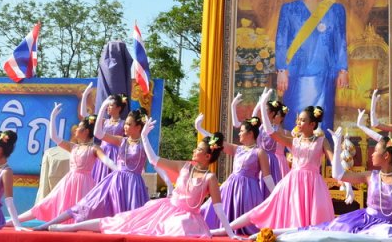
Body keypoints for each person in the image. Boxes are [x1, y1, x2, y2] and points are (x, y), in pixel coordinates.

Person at [47, 117, 240, 239]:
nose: (193, 150)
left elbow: (218, 209)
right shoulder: (184, 165)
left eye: (198, 149)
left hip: (187, 220)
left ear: (207, 156)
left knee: (173, 228)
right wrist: (146, 136)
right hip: (165, 209)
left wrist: (231, 235)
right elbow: (154, 159)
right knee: (120, 221)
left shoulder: (210, 178)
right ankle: (65, 228)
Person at [212, 89, 335, 235]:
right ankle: (225, 229)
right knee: (266, 206)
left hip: (314, 184)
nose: (299, 122)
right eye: (298, 120)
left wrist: (346, 183)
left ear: (312, 124)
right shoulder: (294, 141)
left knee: (314, 220)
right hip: (292, 182)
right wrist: (263, 105)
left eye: (302, 120)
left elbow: (334, 163)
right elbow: (271, 133)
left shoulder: (322, 141)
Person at [266, 131, 392, 239]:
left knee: (387, 236)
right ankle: (276, 233)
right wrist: (337, 146)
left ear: (386, 155)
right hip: (363, 220)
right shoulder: (370, 176)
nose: (372, 153)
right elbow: (339, 175)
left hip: (389, 227)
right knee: (326, 230)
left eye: (376, 150)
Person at [33, 103, 149, 230]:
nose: (125, 127)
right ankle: (51, 225)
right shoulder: (121, 140)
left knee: (130, 219)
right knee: (86, 205)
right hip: (116, 180)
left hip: (133, 185)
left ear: (138, 127)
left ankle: (63, 227)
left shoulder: (144, 145)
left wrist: (169, 183)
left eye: (129, 124)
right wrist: (103, 106)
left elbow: (155, 162)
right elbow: (98, 133)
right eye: (125, 123)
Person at [10, 104, 117, 225]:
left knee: (83, 210)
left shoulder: (94, 148)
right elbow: (55, 138)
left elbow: (106, 160)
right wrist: (53, 117)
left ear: (86, 131)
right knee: (48, 202)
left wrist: (117, 169)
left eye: (79, 127)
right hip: (69, 182)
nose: (75, 129)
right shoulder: (73, 147)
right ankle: (13, 221)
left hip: (85, 184)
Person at [275, 0, 348, 134]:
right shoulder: (289, 9)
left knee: (322, 121)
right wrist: (281, 69)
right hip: (295, 75)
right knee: (295, 120)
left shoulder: (336, 10)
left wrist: (343, 70)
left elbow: (341, 41)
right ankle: (292, 158)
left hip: (325, 75)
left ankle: (323, 158)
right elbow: (281, 40)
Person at [195, 113, 274, 235]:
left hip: (249, 191)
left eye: (241, 131)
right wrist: (199, 128)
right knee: (207, 208)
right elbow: (217, 142)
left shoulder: (259, 152)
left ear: (250, 133)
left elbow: (267, 176)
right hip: (231, 187)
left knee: (250, 220)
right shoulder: (237, 149)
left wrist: (275, 193)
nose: (239, 133)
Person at [232, 92, 282, 197]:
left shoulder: (276, 129)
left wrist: (262, 104)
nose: (262, 112)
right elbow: (236, 124)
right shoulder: (259, 127)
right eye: (262, 109)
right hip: (256, 159)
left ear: (272, 113)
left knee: (269, 190)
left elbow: (269, 129)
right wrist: (233, 106)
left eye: (265, 110)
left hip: (270, 161)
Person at [90, 93, 127, 183]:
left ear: (119, 108)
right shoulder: (104, 121)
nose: (108, 107)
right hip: (102, 151)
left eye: (110, 105)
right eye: (107, 105)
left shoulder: (124, 123)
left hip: (116, 153)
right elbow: (84, 114)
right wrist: (86, 95)